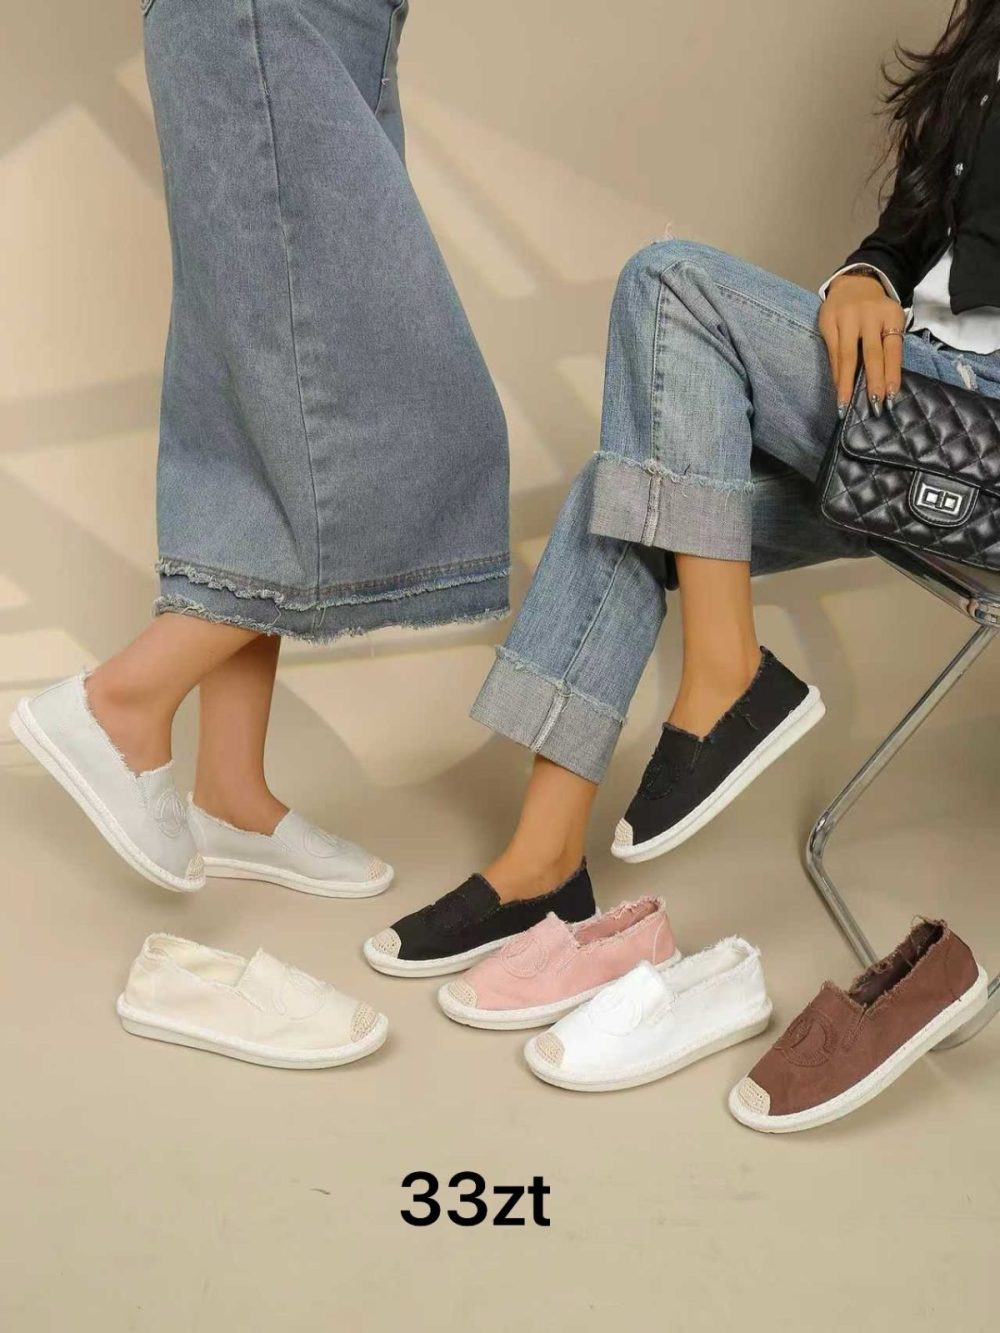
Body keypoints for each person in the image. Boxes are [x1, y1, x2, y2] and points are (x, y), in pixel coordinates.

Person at [364, 0, 1000, 976]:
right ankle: (541, 864)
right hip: (905, 413)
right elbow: (909, 236)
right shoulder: (983, 43)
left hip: (978, 433)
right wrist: (865, 276)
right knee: (620, 493)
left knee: (671, 285)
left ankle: (727, 675)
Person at [10, 0, 508, 897]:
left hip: (343, 26)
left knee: (262, 417)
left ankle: (231, 791)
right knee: (406, 410)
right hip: (268, 13)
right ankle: (122, 699)